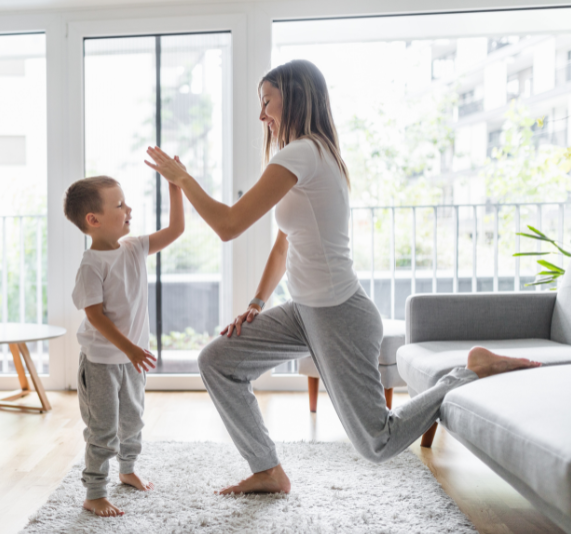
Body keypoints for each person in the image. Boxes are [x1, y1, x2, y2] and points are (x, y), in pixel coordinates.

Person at [144, 59, 541, 495]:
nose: (262, 115)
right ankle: (268, 470)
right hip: (304, 312)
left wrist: (183, 178)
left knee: (379, 441)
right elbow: (283, 243)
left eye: (267, 102)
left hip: (339, 316)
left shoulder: (304, 153)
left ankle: (467, 372)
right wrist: (257, 304)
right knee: (217, 360)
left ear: (293, 98)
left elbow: (229, 225)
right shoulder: (304, 155)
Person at [65, 174, 184, 516]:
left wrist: (175, 187)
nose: (128, 208)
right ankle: (95, 492)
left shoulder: (134, 247)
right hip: (102, 361)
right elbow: (96, 316)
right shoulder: (91, 265)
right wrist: (130, 348)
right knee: (103, 428)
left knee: (132, 419)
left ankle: (127, 468)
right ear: (93, 220)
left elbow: (176, 230)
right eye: (119, 205)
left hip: (131, 360)